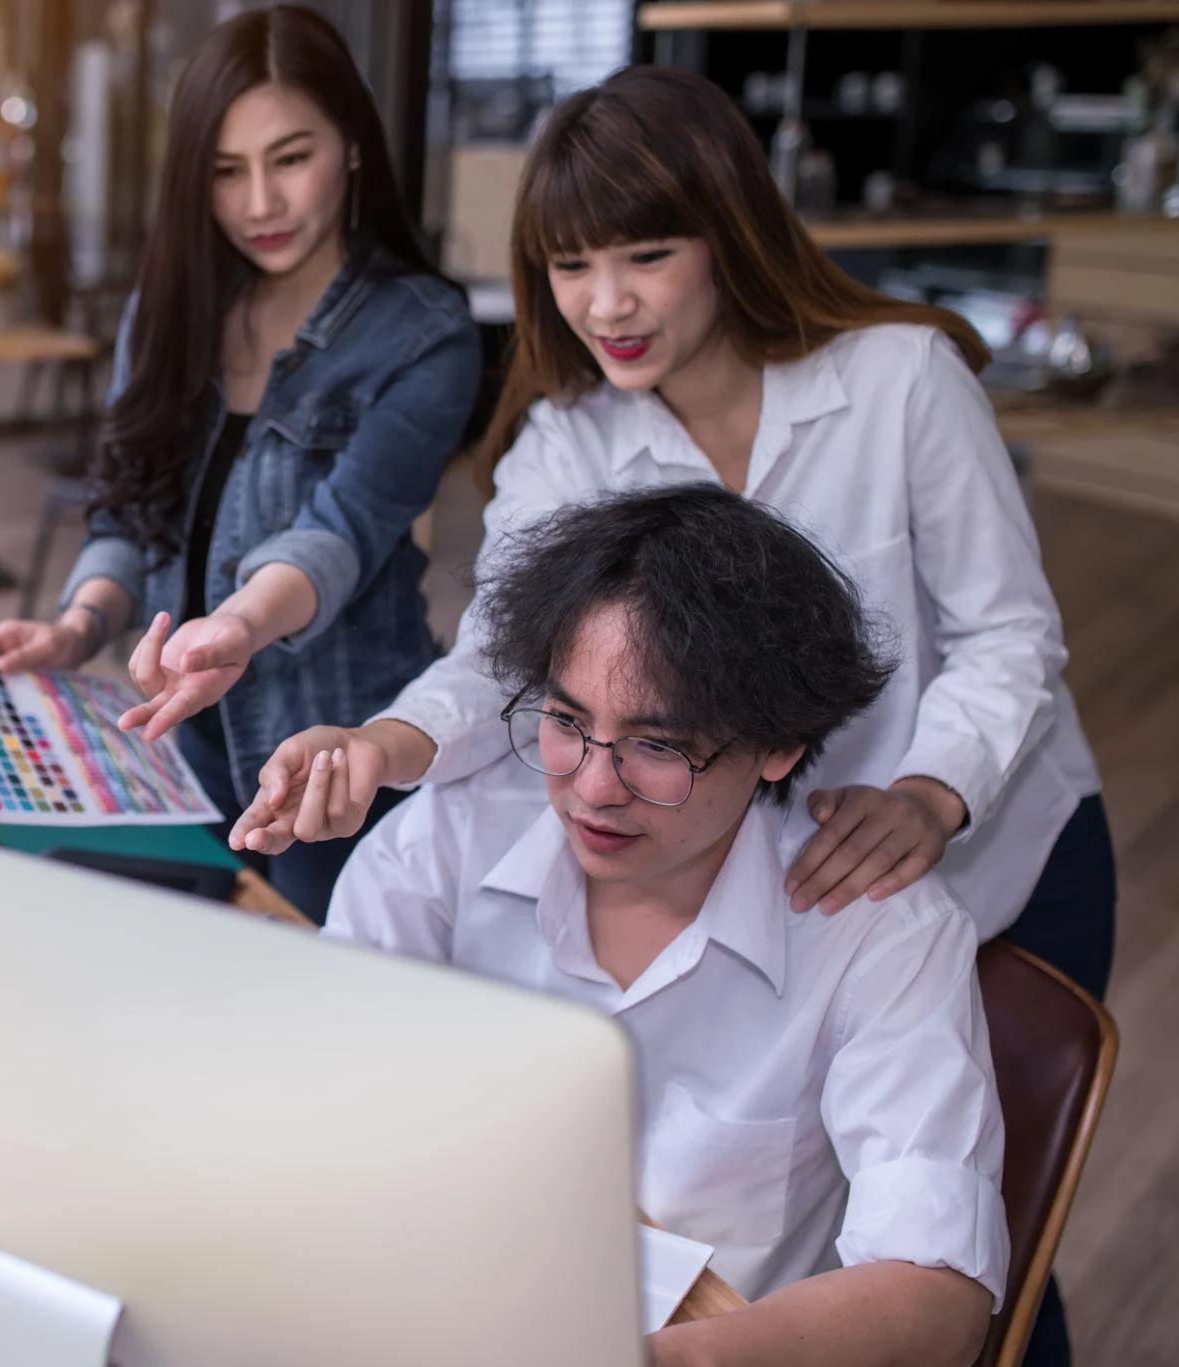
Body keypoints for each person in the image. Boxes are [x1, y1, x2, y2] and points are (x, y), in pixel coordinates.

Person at [234, 65, 1113, 995]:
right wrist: (382, 746)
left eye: (645, 256)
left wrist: (933, 796)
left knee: (983, 1137)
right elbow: (501, 660)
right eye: (572, 266)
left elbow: (1008, 633)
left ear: (728, 237)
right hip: (805, 888)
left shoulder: (905, 380)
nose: (605, 304)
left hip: (999, 843)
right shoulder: (570, 443)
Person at [325, 487, 1007, 1367]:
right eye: (567, 722)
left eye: (660, 747)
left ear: (780, 745)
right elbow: (322, 1080)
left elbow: (940, 1296)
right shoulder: (453, 832)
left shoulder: (881, 933)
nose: (594, 786)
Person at [0, 4, 482, 923]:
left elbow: (341, 533)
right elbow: (132, 507)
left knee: (322, 1013)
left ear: (354, 146)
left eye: (291, 158)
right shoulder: (173, 309)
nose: (261, 203)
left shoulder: (424, 333)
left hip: (331, 763)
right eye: (226, 172)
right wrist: (78, 626)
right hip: (180, 753)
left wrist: (237, 628)